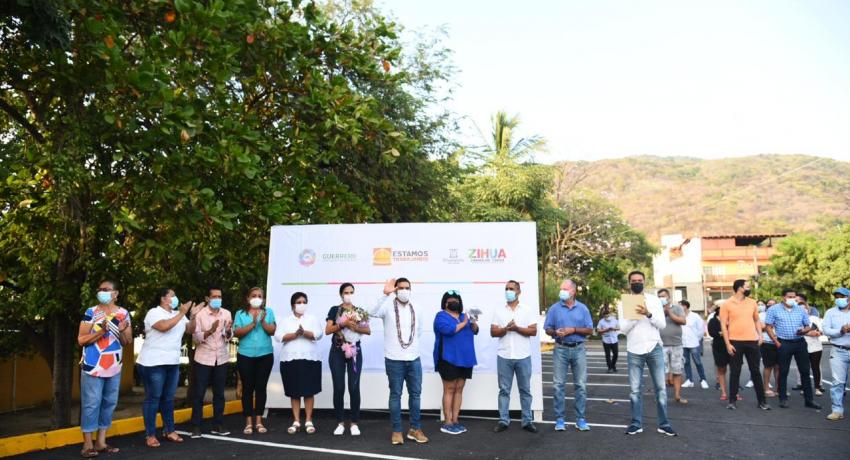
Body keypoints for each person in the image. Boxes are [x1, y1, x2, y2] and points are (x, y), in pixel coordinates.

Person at [370, 278, 428, 445]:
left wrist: (409, 348)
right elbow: (369, 312)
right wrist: (384, 294)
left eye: (407, 287)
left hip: (414, 358)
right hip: (394, 359)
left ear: (411, 289)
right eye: (400, 288)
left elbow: (419, 332)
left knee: (415, 395)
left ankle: (415, 429)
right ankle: (397, 431)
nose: (404, 290)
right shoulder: (387, 306)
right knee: (396, 395)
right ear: (395, 290)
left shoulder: (417, 308)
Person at [78, 280, 133, 457]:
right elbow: (81, 339)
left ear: (115, 294)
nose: (102, 292)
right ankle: (87, 445)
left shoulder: (123, 313)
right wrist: (101, 331)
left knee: (109, 403)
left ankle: (101, 442)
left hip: (114, 366)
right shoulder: (91, 312)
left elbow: (127, 341)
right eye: (100, 289)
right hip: (93, 366)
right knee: (91, 403)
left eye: (106, 289)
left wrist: (123, 331)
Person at [620, 271, 676, 436]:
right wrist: (635, 316)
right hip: (634, 349)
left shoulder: (654, 300)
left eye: (639, 280)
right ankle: (636, 423)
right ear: (629, 283)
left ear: (644, 282)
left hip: (654, 347)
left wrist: (648, 314)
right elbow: (623, 329)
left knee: (661, 388)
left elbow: (662, 324)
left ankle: (664, 424)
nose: (637, 282)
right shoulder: (624, 302)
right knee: (635, 390)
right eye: (633, 281)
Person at [137, 288, 194, 448]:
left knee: (168, 399)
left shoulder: (178, 314)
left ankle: (169, 430)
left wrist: (193, 315)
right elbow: (163, 327)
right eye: (172, 295)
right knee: (153, 398)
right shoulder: (154, 313)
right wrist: (182, 313)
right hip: (152, 363)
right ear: (163, 298)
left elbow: (190, 329)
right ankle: (150, 434)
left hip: (172, 362)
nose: (176, 298)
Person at [544, 279, 593, 432]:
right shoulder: (554, 308)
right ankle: (560, 419)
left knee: (580, 385)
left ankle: (580, 419)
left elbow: (590, 330)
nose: (561, 291)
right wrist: (554, 332)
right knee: (558, 385)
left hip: (578, 348)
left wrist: (573, 329)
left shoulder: (583, 309)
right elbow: (547, 329)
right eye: (561, 289)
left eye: (564, 288)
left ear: (573, 291)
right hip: (561, 348)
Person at [491, 280, 538, 433]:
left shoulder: (527, 310)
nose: (508, 291)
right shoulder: (499, 310)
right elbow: (493, 332)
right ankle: (503, 420)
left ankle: (527, 421)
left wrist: (516, 328)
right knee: (504, 390)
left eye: (511, 288)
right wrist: (506, 328)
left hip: (523, 356)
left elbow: (533, 331)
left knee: (525, 390)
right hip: (504, 355)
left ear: (519, 291)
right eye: (506, 288)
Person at [325, 283, 371, 436]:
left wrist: (354, 327)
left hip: (355, 351)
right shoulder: (334, 310)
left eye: (351, 292)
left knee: (353, 387)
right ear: (341, 294)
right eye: (346, 292)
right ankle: (339, 422)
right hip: (337, 350)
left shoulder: (359, 311)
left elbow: (368, 330)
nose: (348, 294)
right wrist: (343, 324)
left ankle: (354, 423)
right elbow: (328, 330)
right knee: (339, 387)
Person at [764, 288, 820, 410]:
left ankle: (809, 400)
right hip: (783, 343)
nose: (792, 299)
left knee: (805, 371)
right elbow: (768, 326)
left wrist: (804, 330)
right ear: (783, 297)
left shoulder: (800, 310)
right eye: (789, 296)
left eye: (794, 297)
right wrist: (776, 342)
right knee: (783, 371)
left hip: (800, 343)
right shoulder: (774, 309)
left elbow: (807, 326)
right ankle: (783, 399)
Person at [277, 292, 324, 435]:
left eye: (304, 301)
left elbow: (319, 334)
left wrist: (304, 333)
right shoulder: (285, 320)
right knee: (294, 391)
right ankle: (296, 421)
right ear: (293, 305)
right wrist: (295, 335)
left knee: (309, 391)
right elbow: (278, 336)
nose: (302, 304)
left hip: (310, 358)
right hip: (290, 359)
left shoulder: (312, 318)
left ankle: (309, 420)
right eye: (299, 302)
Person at [189, 286, 233, 438]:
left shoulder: (226, 313)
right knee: (199, 393)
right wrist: (210, 331)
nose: (217, 299)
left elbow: (228, 337)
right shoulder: (200, 314)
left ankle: (218, 424)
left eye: (219, 296)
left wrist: (228, 331)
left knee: (219, 394)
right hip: (203, 358)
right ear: (207, 299)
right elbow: (196, 338)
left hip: (221, 357)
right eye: (214, 296)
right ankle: (196, 426)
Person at [719, 279, 769, 410]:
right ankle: (732, 401)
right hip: (735, 341)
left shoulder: (752, 302)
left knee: (756, 371)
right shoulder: (727, 304)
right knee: (735, 372)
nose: (749, 288)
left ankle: (762, 401)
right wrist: (728, 344)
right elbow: (723, 325)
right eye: (747, 286)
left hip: (752, 341)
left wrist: (760, 335)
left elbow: (757, 320)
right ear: (740, 288)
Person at [233, 287, 277, 434]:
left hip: (265, 355)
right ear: (248, 298)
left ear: (263, 299)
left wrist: (263, 321)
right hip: (245, 355)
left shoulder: (268, 312)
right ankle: (248, 422)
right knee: (247, 388)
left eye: (260, 296)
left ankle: (259, 421)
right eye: (254, 295)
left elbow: (272, 331)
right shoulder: (240, 313)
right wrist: (252, 323)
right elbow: (237, 333)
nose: (257, 298)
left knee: (261, 388)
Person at [434, 290, 478, 435]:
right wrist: (465, 322)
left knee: (459, 389)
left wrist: (473, 323)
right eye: (450, 300)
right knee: (449, 389)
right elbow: (449, 330)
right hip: (448, 358)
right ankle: (447, 422)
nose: (454, 303)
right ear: (445, 303)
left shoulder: (464, 316)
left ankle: (455, 420)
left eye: (456, 300)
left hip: (465, 358)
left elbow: (475, 330)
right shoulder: (441, 316)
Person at [824, 287, 850, 420]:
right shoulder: (830, 312)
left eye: (842, 296)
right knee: (837, 382)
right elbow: (826, 330)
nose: (838, 299)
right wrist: (841, 330)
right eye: (836, 297)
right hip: (838, 350)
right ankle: (837, 410)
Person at [657, 289, 687, 404]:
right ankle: (661, 395)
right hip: (661, 344)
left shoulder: (677, 308)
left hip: (676, 344)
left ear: (669, 297)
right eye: (659, 296)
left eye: (663, 296)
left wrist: (669, 312)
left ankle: (677, 395)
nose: (661, 298)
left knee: (677, 371)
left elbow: (683, 321)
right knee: (660, 371)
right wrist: (662, 312)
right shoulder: (656, 309)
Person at [799, 298, 825, 395]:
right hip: (802, 346)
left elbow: (822, 330)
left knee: (815, 367)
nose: (803, 310)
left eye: (804, 308)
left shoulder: (814, 318)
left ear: (807, 309)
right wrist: (809, 333)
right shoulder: (795, 320)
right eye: (800, 308)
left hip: (816, 347)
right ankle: (804, 387)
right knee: (804, 368)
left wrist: (818, 332)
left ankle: (817, 388)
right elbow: (796, 332)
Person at [681, 300, 709, 389]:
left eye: (680, 306)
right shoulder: (679, 316)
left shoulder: (695, 316)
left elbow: (701, 329)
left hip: (693, 343)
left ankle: (703, 379)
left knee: (698, 362)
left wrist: (697, 339)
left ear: (685, 306)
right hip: (683, 343)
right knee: (686, 362)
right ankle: (689, 380)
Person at [707, 305, 730, 401]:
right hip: (719, 347)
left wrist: (722, 332)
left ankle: (735, 393)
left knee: (735, 369)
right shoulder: (713, 321)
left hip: (732, 346)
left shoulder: (732, 319)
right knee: (721, 369)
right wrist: (724, 332)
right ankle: (724, 392)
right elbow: (712, 333)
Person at [759, 300, 780, 398]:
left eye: (773, 304)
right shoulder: (762, 315)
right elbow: (760, 327)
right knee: (768, 366)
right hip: (767, 343)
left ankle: (778, 388)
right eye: (769, 304)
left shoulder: (780, 313)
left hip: (780, 342)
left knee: (778, 367)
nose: (771, 306)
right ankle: (766, 388)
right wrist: (769, 326)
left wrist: (768, 326)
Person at [596, 305, 620, 373]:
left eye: (608, 315)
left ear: (610, 314)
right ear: (604, 316)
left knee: (616, 354)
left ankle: (613, 365)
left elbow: (618, 328)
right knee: (608, 355)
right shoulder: (601, 321)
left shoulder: (614, 320)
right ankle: (610, 367)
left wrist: (613, 328)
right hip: (606, 340)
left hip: (614, 339)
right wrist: (605, 330)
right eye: (605, 316)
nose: (607, 317)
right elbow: (598, 330)